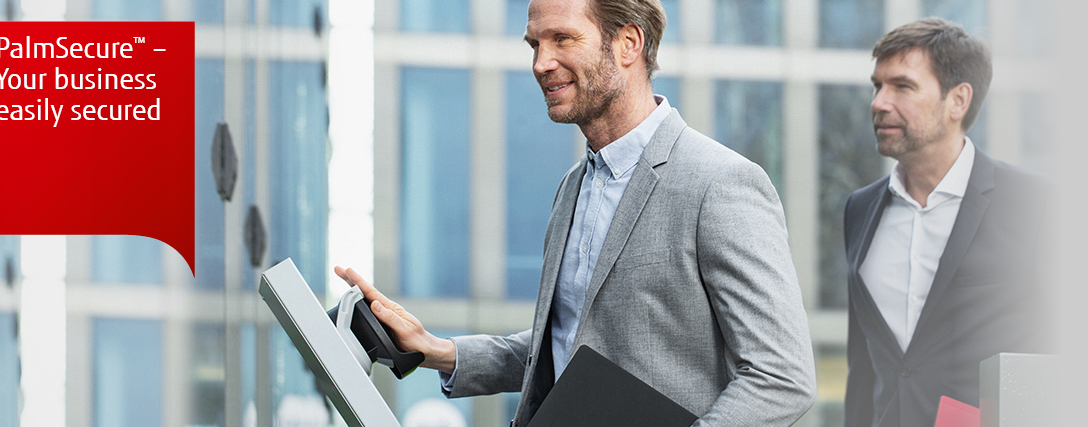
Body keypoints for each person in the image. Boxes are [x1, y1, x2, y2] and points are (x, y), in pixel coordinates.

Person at [335, 0, 815, 425]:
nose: (542, 63)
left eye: (563, 38)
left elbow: (782, 376)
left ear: (628, 43)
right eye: (534, 45)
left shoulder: (721, 183)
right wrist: (437, 350)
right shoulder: (573, 188)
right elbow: (567, 343)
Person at [843, 18, 1052, 427]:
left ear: (958, 100)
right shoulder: (860, 209)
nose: (879, 102)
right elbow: (863, 366)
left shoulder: (1038, 204)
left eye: (902, 86)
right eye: (877, 85)